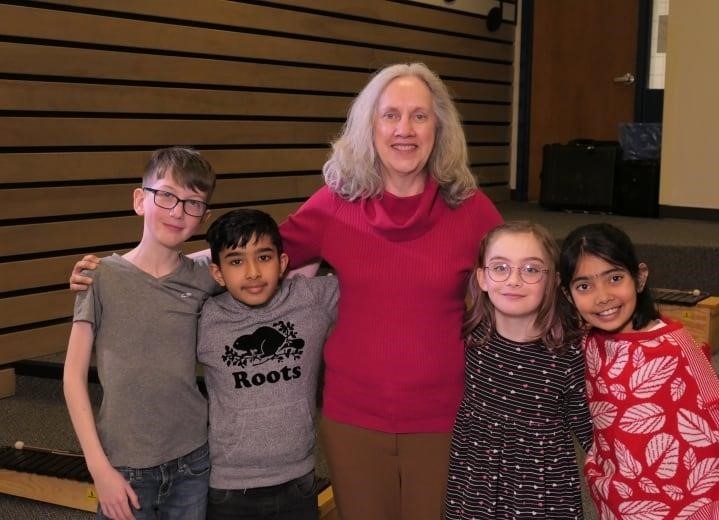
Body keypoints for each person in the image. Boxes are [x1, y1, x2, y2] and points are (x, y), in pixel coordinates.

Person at [70, 62, 503, 519]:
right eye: (390, 115)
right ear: (368, 126)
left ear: (440, 126)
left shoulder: (469, 208)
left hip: (444, 414)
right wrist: (134, 268)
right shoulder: (338, 203)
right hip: (353, 416)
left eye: (420, 116)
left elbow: (520, 274)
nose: (404, 130)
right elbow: (257, 256)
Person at [558, 223, 719, 520]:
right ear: (568, 295)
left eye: (614, 278)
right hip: (625, 491)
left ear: (639, 278)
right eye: (584, 286)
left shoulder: (672, 344)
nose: (602, 297)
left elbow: (717, 413)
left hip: (695, 492)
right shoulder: (588, 343)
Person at [63, 147, 219, 520]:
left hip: (193, 462)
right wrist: (100, 470)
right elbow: (71, 378)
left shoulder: (204, 277)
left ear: (203, 217)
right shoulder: (99, 276)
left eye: (193, 203)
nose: (178, 211)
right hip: (123, 467)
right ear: (139, 199)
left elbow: (256, 254)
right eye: (166, 195)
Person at [444, 221, 593, 519]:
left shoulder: (568, 350)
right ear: (482, 278)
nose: (514, 280)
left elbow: (586, 425)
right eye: (500, 268)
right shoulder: (472, 334)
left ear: (552, 281)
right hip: (476, 478)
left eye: (531, 269)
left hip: (541, 485)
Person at [198, 208, 339, 519]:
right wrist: (109, 274)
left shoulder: (310, 299)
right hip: (229, 488)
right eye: (236, 261)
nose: (252, 273)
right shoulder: (205, 317)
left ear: (283, 262)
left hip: (298, 481)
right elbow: (162, 283)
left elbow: (375, 283)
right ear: (217, 273)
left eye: (264, 257)